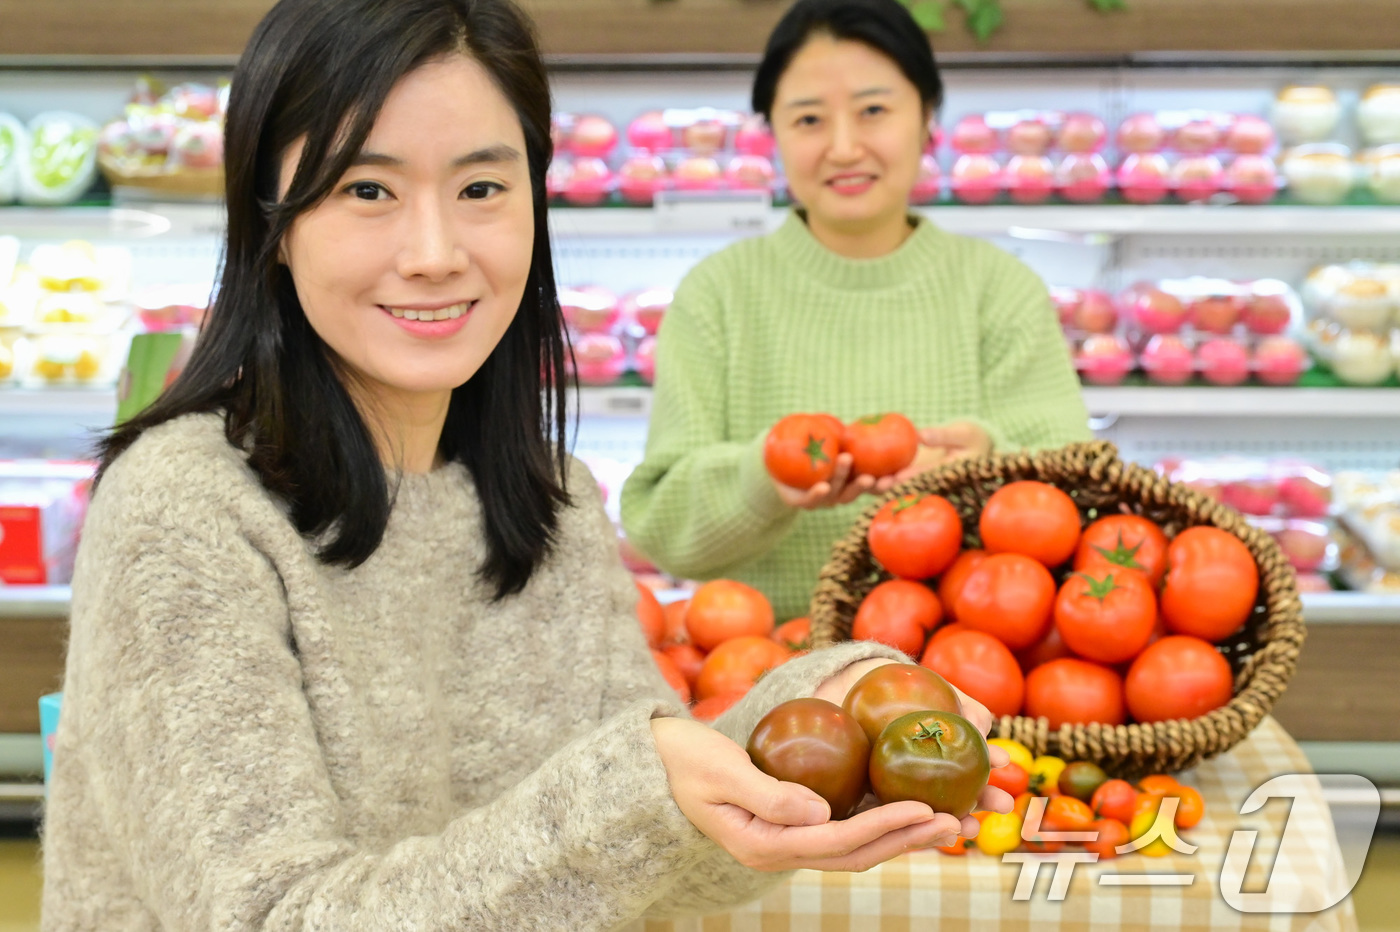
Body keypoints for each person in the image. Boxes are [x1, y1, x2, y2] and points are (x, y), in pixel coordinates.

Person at [39, 1, 1011, 929]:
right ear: (272, 222)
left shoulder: (548, 502)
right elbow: (267, 916)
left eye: (480, 189)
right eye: (367, 190)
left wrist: (815, 711)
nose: (434, 253)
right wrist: (637, 790)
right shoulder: (185, 511)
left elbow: (656, 851)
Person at [620, 0, 1092, 622]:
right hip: (764, 667)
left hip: (961, 663)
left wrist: (988, 466)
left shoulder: (999, 289)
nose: (844, 148)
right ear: (773, 133)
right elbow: (659, 528)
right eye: (809, 119)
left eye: (873, 111)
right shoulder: (717, 294)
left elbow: (1082, 493)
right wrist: (765, 479)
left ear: (927, 117)